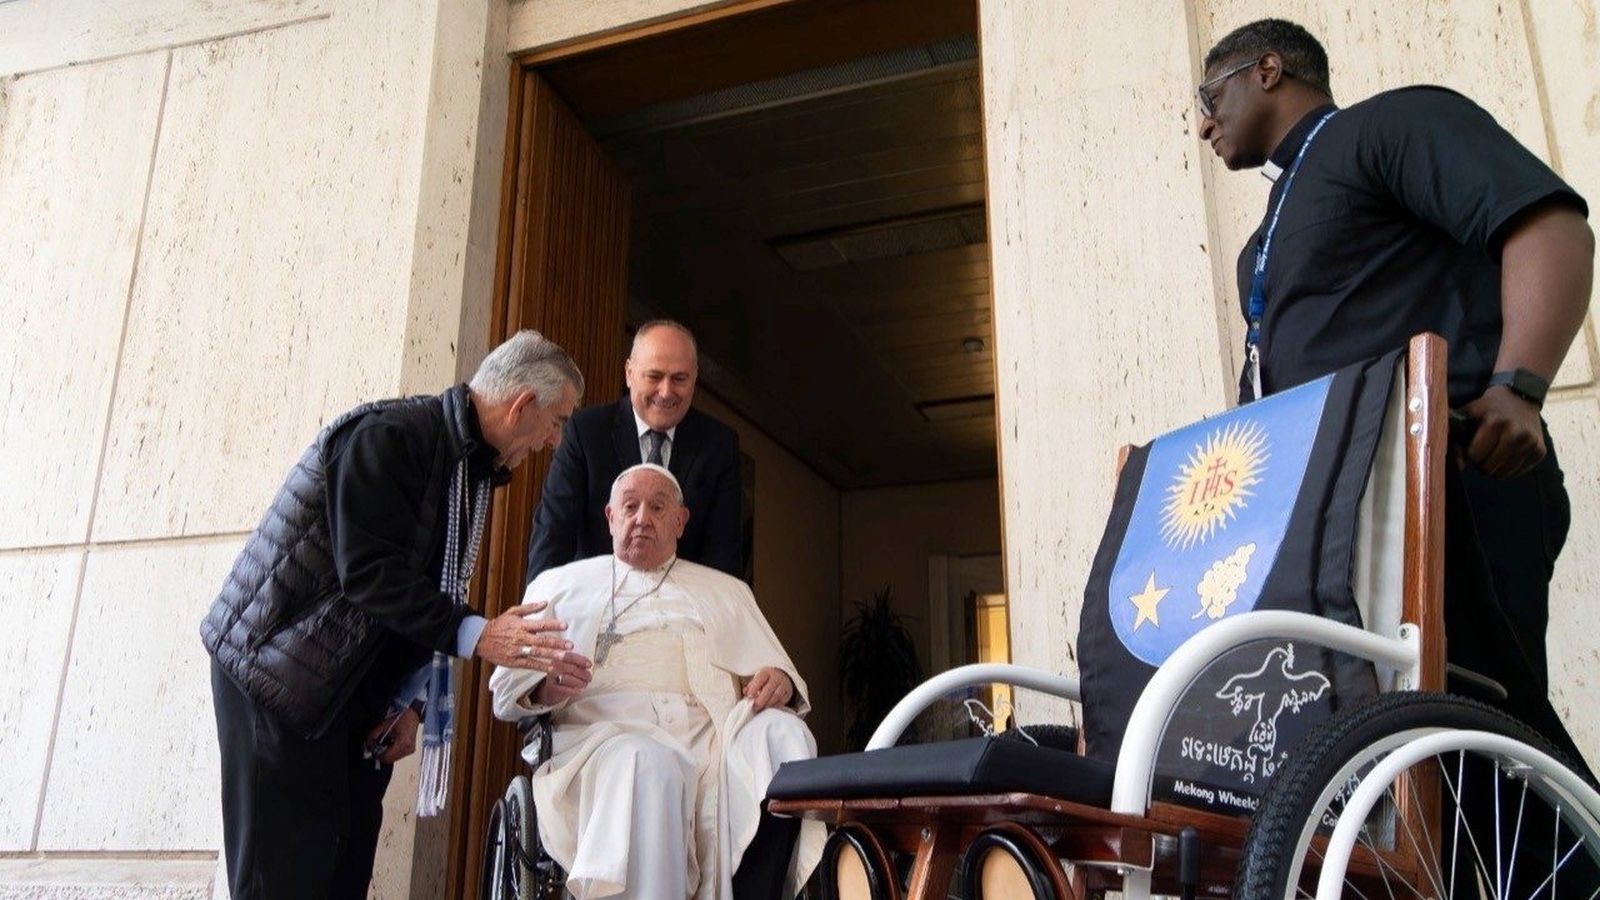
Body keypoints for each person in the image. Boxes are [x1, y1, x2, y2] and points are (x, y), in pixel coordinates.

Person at [1196, 17, 1595, 893]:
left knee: (1489, 731)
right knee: (1400, 763)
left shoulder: (1390, 127)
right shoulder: (1262, 242)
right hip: (1342, 523)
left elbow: (1551, 225)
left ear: (1270, 70)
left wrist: (1519, 387)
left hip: (1453, 480)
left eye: (1210, 94)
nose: (1202, 123)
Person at [201, 330, 590, 900]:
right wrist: (481, 634)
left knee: (343, 876)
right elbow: (369, 574)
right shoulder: (389, 435)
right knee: (282, 881)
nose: (554, 441)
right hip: (279, 682)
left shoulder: (469, 469)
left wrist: (411, 704)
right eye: (556, 422)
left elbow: (426, 590)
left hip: (351, 700)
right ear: (522, 404)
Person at [490, 463, 823, 900]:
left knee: (785, 733)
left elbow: (777, 673)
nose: (642, 518)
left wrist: (779, 680)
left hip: (712, 737)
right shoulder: (558, 585)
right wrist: (545, 688)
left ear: (680, 521)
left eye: (658, 508)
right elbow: (505, 694)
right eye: (630, 507)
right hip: (601, 739)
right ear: (610, 517)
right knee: (650, 762)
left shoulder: (727, 591)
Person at [525, 320, 743, 583]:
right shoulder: (586, 432)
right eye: (654, 376)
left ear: (694, 379)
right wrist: (541, 603)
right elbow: (553, 535)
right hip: (596, 600)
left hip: (680, 604)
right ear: (629, 373)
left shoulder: (718, 445)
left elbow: (723, 556)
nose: (666, 392)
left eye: (679, 379)